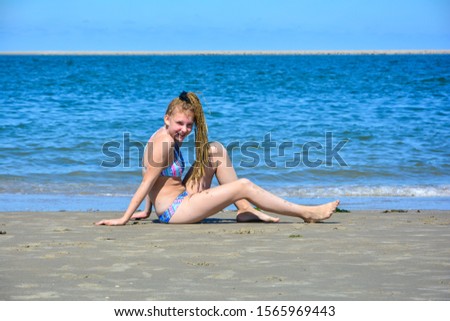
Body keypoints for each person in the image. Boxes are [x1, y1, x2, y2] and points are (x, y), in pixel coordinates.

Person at [95, 92, 339, 226]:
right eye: (180, 123)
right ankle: (306, 213)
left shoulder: (163, 134)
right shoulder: (166, 142)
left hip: (181, 197)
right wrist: (123, 218)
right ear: (167, 117)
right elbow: (147, 182)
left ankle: (244, 210)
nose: (185, 129)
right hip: (176, 211)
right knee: (243, 185)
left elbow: (154, 177)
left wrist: (147, 211)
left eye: (190, 125)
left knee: (214, 150)